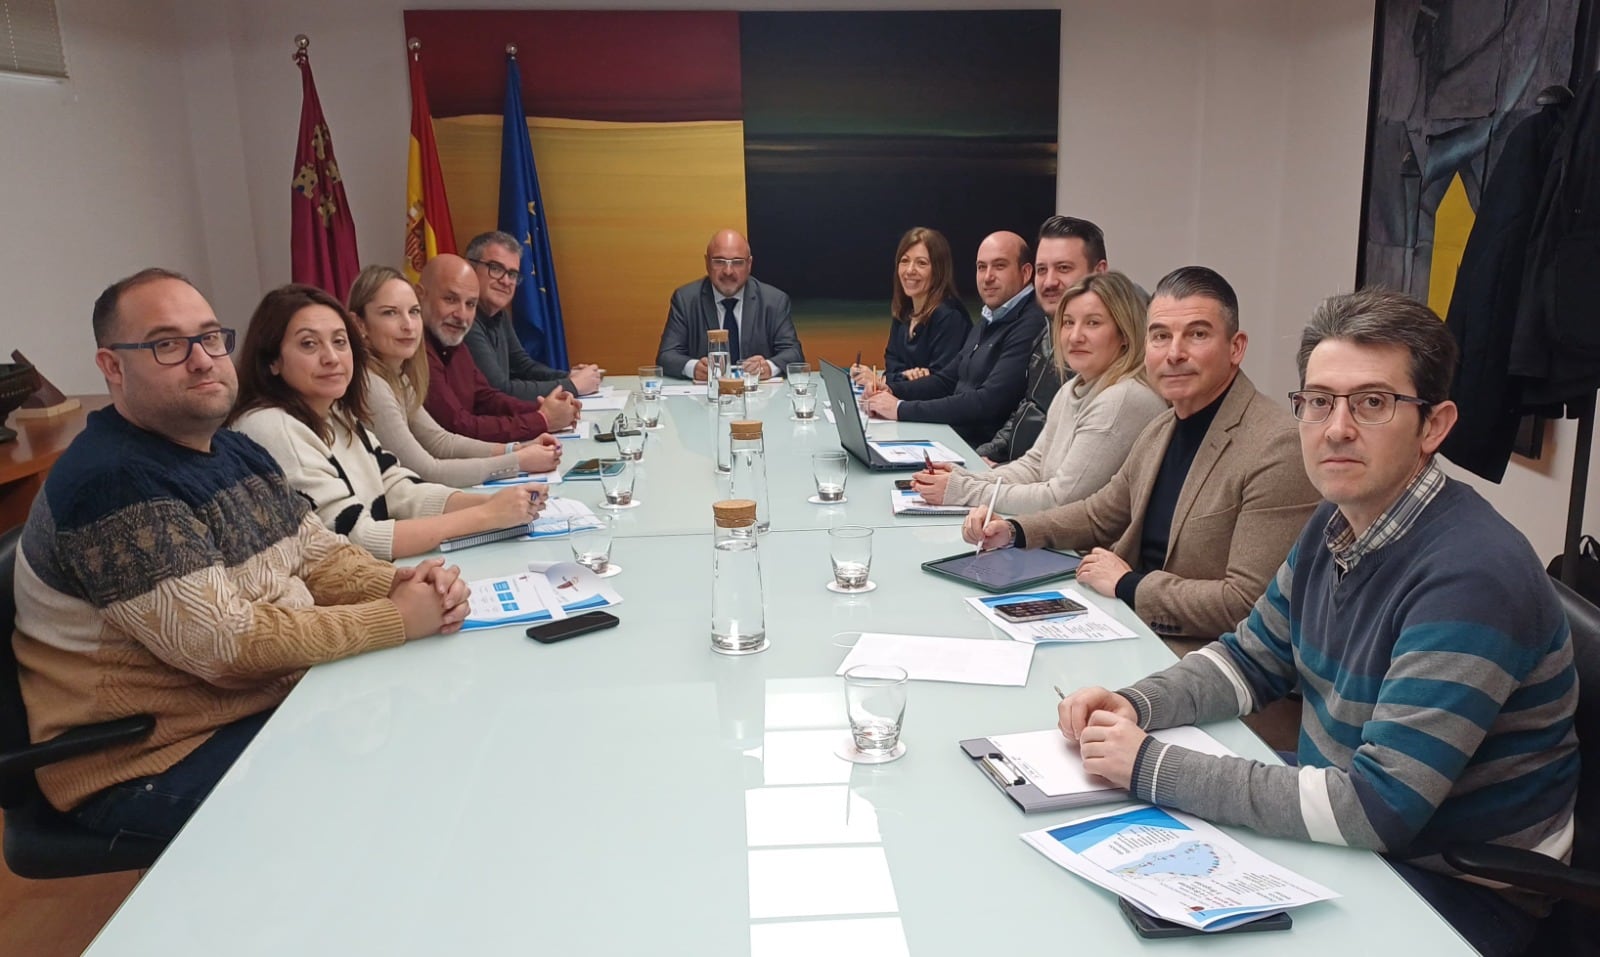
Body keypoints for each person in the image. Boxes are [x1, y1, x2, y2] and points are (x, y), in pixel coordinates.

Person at [1056, 289, 1577, 957]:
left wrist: (1149, 764)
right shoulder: (1337, 520)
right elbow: (1251, 658)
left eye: (1372, 402)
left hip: (1460, 885)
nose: (1335, 427)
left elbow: (1378, 805)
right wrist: (1135, 703)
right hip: (1360, 839)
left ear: (1435, 424)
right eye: (1319, 400)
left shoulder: (1470, 574)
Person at [11, 268, 470, 841]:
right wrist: (396, 618)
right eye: (167, 345)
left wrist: (405, 586)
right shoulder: (112, 484)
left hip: (254, 704)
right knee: (389, 802)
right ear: (112, 367)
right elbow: (229, 646)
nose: (201, 359)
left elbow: (318, 554)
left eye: (208, 337)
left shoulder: (230, 449)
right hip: (151, 757)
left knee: (444, 729)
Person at [965, 266, 1318, 642]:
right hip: (1125, 624)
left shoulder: (1277, 445)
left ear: (1236, 347)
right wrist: (1015, 531)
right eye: (1161, 336)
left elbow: (1248, 603)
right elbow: (1100, 514)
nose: (1175, 353)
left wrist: (1129, 585)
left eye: (1197, 334)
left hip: (1199, 655)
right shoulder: (1161, 428)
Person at [229, 283, 547, 561]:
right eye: (309, 344)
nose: (331, 357)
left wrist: (494, 502)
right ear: (271, 360)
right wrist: (486, 515)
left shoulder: (337, 412)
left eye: (339, 342)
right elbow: (356, 539)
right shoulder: (271, 426)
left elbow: (398, 488)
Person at [912, 272, 1164, 512]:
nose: (1075, 336)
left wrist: (963, 490)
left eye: (1093, 323)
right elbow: (1034, 466)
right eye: (1068, 322)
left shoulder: (1123, 398)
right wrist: (965, 477)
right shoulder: (1072, 388)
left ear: (1124, 334)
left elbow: (1060, 500)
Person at [349, 264, 563, 487]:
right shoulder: (370, 384)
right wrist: (518, 461)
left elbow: (441, 442)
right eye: (390, 313)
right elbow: (427, 470)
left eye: (413, 312)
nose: (408, 325)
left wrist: (516, 449)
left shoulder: (397, 375)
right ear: (359, 324)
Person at [864, 231, 1046, 449]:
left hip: (978, 452)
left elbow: (988, 402)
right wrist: (893, 390)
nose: (987, 276)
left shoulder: (1030, 324)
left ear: (1025, 273)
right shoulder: (991, 316)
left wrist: (900, 409)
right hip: (952, 437)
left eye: (999, 266)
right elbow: (947, 380)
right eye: (981, 267)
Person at [977, 216, 1110, 464]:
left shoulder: (1111, 350)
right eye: (1042, 270)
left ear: (1099, 272)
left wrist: (1001, 473)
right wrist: (986, 456)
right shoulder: (1046, 332)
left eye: (1063, 268)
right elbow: (1028, 410)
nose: (1049, 282)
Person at [417, 254, 580, 444]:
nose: (461, 315)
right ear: (420, 295)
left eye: (470, 304)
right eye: (450, 299)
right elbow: (459, 427)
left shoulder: (454, 342)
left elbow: (486, 397)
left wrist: (543, 408)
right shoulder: (416, 350)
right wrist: (542, 419)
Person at [461, 230, 604, 399]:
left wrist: (565, 376)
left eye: (512, 274)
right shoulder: (463, 318)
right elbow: (499, 390)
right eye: (496, 268)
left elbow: (523, 367)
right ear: (470, 267)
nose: (506, 281)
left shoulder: (499, 314)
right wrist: (572, 386)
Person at [656, 228, 804, 381]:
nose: (728, 271)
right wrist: (693, 368)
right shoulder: (685, 299)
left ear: (749, 264)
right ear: (707, 263)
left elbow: (794, 353)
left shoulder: (774, 301)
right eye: (719, 262)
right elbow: (666, 356)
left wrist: (769, 366)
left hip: (758, 398)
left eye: (737, 262)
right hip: (705, 398)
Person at [848, 226, 969, 390]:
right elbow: (892, 362)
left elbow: (941, 384)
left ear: (938, 270)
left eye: (921, 263)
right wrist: (904, 377)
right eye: (904, 261)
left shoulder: (950, 317)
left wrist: (884, 382)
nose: (910, 270)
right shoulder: (904, 312)